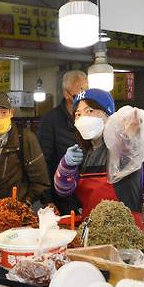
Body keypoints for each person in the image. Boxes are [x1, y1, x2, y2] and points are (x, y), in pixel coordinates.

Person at [54, 89, 144, 228]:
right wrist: (66, 166)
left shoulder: (121, 148)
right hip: (92, 231)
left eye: (89, 111)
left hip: (124, 232)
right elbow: (63, 191)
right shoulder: (83, 153)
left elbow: (135, 140)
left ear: (108, 115)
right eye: (78, 114)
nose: (83, 118)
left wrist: (133, 127)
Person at [0, 93, 50, 204]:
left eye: (4, 113)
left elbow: (41, 181)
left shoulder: (25, 138)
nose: (0, 118)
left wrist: (25, 203)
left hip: (15, 210)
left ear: (11, 113)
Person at [37, 70, 88, 213]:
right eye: (78, 95)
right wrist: (47, 200)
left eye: (87, 94)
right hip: (62, 200)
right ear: (66, 94)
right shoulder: (50, 121)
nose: (83, 100)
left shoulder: (92, 117)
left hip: (89, 195)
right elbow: (43, 163)